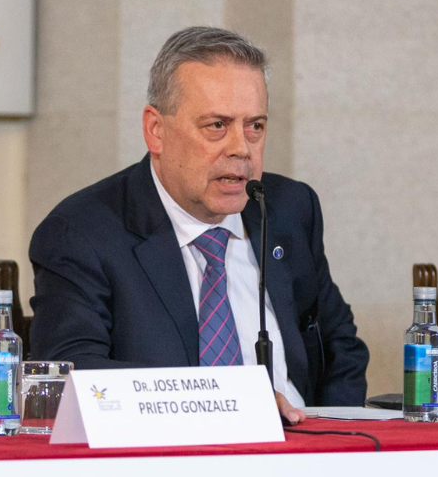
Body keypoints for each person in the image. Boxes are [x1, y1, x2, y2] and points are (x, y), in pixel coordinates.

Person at [28, 26, 369, 423]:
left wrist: (332, 434)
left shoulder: (289, 209)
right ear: (156, 130)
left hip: (302, 445)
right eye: (217, 126)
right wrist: (233, 403)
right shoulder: (82, 233)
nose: (241, 148)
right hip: (164, 453)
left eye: (255, 126)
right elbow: (73, 376)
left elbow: (341, 347)